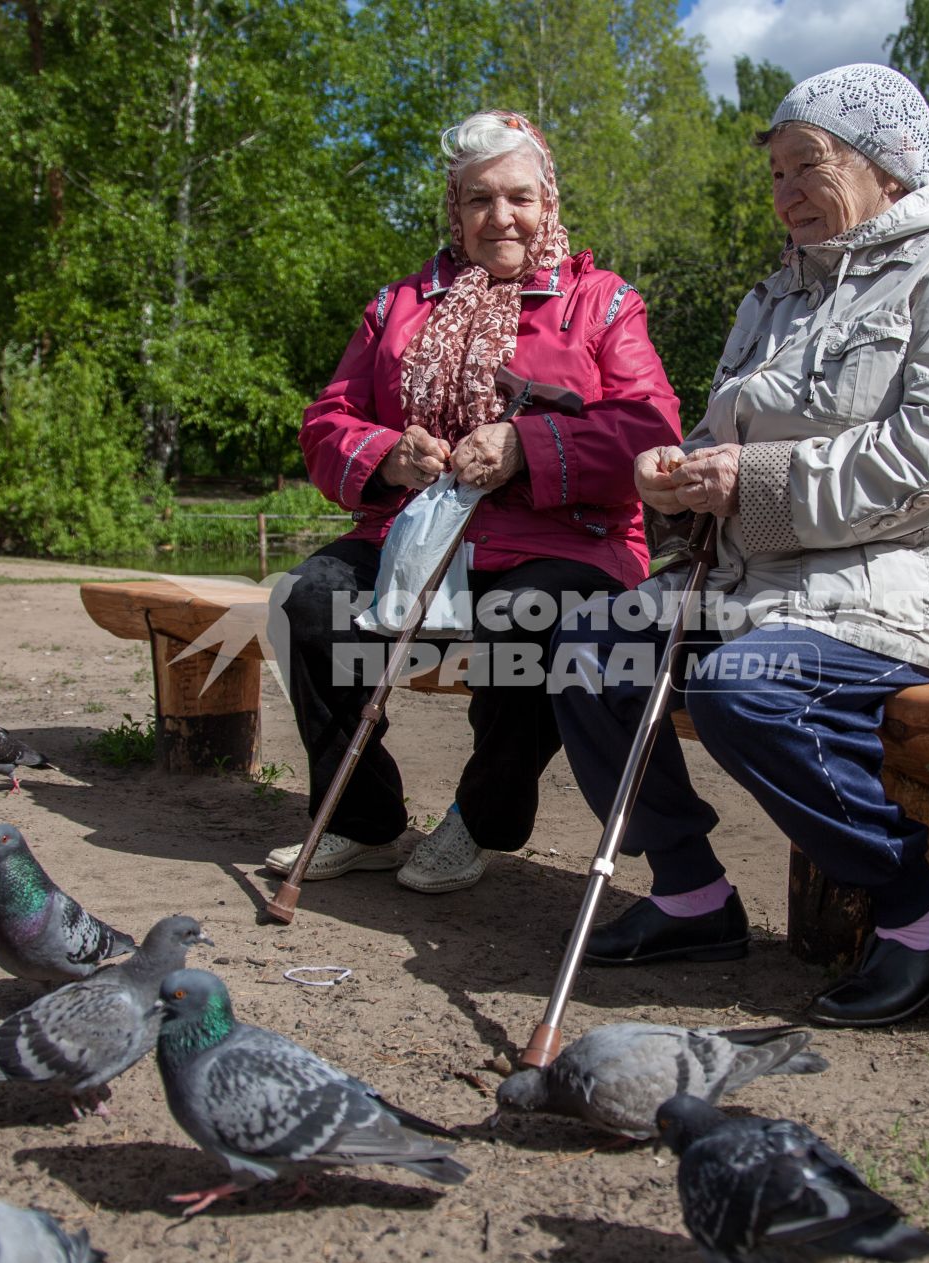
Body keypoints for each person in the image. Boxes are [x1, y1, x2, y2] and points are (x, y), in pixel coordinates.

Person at [551, 64, 929, 1027]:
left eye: (807, 165)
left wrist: (752, 487)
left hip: (917, 584)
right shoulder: (772, 301)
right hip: (764, 581)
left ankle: (918, 907)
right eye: (775, 174)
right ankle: (691, 893)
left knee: (746, 686)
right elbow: (724, 447)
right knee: (583, 650)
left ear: (890, 169)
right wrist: (680, 480)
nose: (786, 194)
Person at [265, 111, 681, 895]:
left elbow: (651, 427)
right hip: (417, 531)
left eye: (519, 197)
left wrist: (529, 447)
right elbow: (328, 423)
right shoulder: (400, 306)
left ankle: (483, 818)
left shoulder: (601, 303)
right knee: (308, 603)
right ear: (453, 209)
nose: (501, 217)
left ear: (548, 200)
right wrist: (388, 455)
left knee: (525, 618)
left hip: (565, 539)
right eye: (479, 200)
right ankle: (363, 820)